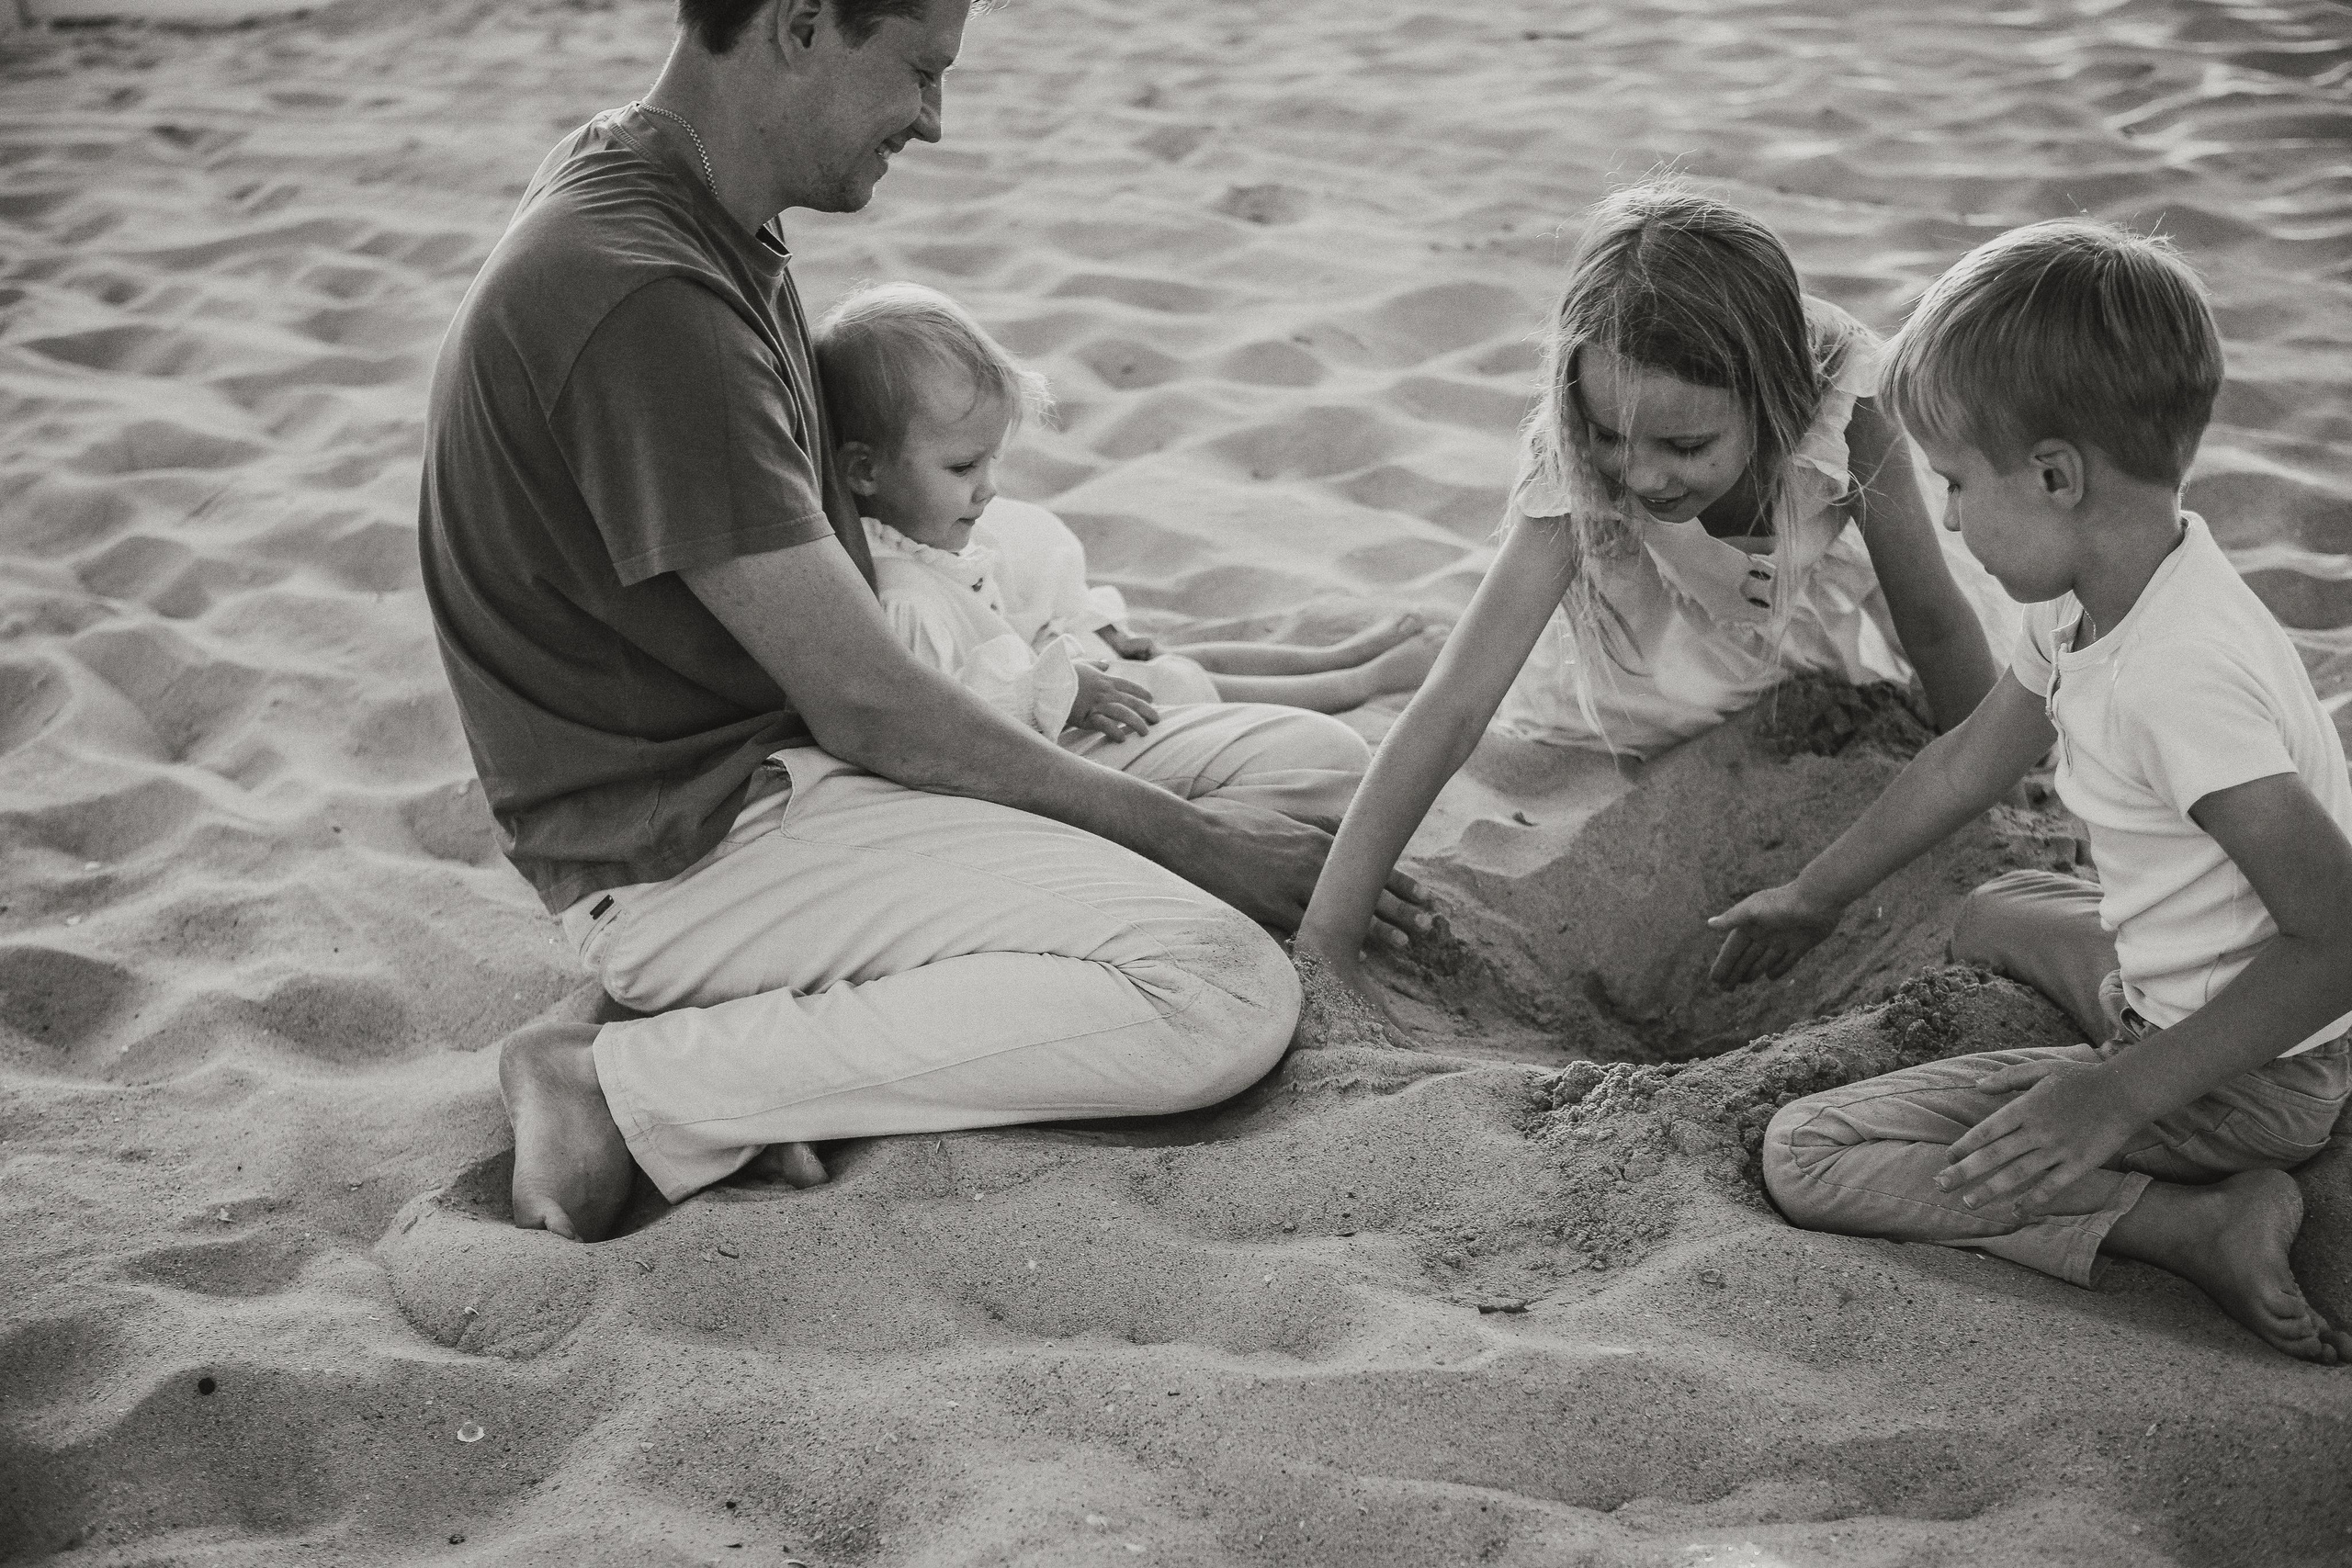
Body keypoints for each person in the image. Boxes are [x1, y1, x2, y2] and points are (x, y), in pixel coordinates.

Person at [415, 0, 1428, 1242]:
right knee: (1217, 989)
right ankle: (621, 1081)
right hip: (702, 838)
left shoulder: (688, 196)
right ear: (796, 24)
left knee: (1326, 779)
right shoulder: (638, 293)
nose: (936, 121)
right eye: (921, 71)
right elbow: (870, 702)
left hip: (815, 758)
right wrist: (1188, 845)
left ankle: (790, 1040)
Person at [1704, 220, 2352, 1362]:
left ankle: (2189, 1223)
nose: (1946, 517)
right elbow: (1967, 759)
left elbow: (2339, 935)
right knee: (1992, 910)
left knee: (1808, 1154)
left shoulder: (2175, 680)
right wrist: (1814, 891)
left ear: (2055, 477)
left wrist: (2112, 1101)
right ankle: (2141, 1097)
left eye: (1956, 483)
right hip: (2172, 979)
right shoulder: (2103, 587)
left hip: (2250, 1071)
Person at [1295, 180, 2002, 1004]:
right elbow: (1456, 709)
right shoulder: (1580, 462)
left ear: (1774, 404)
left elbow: (1931, 613)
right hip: (1651, 615)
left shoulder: (1845, 396)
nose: (1640, 472)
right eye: (1607, 434)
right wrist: (1326, 940)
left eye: (1684, 443)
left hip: (1794, 587)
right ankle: (1411, 648)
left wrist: (1995, 783)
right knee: (1546, 680)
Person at [815, 283, 1445, 725]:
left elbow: (1003, 600)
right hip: (1069, 707)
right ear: (865, 471)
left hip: (1067, 669)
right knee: (1179, 680)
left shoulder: (924, 533)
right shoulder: (900, 600)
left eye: (992, 460)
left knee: (1172, 656)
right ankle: (1356, 683)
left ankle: (1335, 657)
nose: (989, 487)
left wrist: (1074, 622)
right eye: (963, 467)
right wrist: (1057, 686)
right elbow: (952, 711)